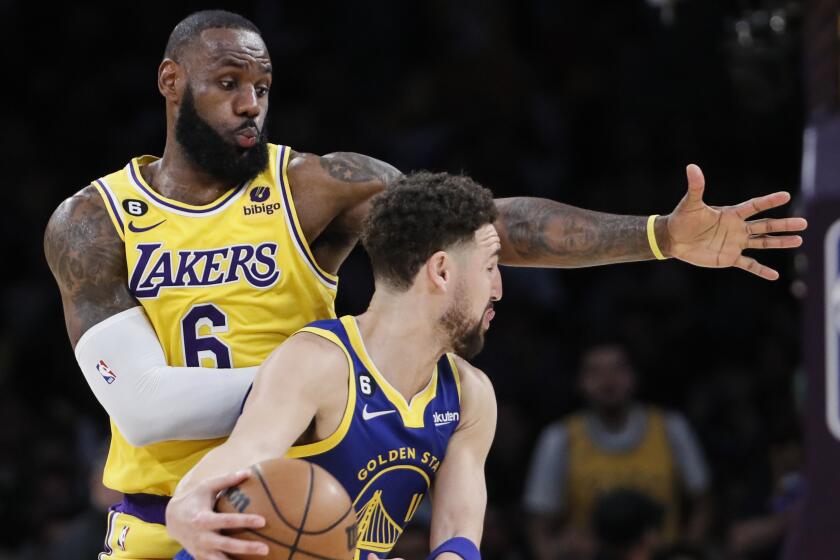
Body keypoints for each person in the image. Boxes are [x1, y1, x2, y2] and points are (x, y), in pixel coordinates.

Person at [41, 9, 806, 559]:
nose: (250, 104)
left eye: (263, 85)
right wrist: (328, 381)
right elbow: (142, 410)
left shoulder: (315, 187)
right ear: (170, 82)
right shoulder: (92, 221)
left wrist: (659, 237)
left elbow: (473, 225)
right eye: (227, 82)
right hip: (159, 522)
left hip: (306, 507)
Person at [166, 172, 501, 560]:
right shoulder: (320, 361)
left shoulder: (469, 394)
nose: (497, 290)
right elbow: (245, 450)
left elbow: (458, 533)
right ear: (441, 271)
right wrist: (186, 503)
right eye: (490, 267)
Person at [523, 343, 711, 560]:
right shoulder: (559, 439)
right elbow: (539, 528)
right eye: (595, 371)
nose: (608, 380)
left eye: (617, 369)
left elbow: (703, 504)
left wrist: (685, 551)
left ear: (634, 376)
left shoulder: (670, 428)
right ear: (580, 381)